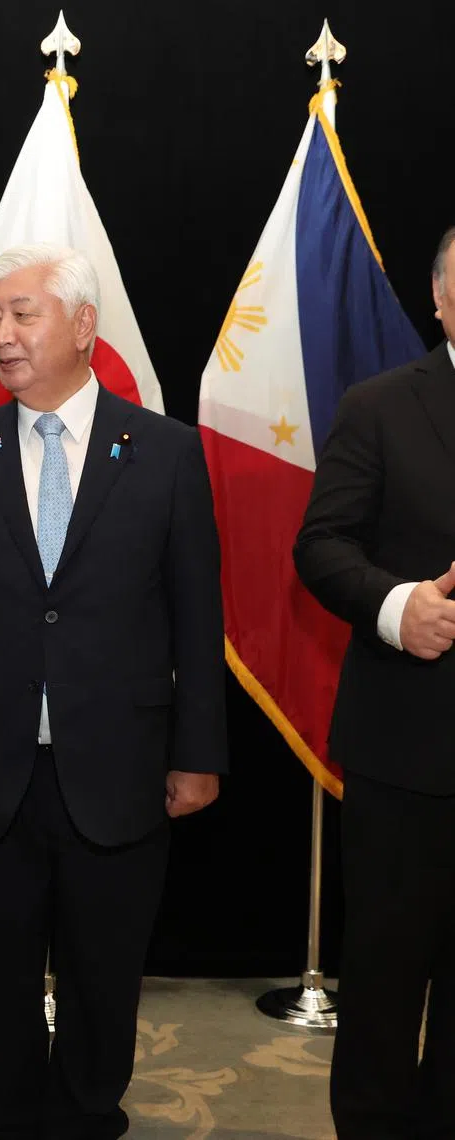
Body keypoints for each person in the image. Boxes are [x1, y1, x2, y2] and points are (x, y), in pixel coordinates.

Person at [0, 244, 227, 1139]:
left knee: (104, 978)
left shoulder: (165, 453)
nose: (1, 334)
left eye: (22, 314)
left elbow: (198, 617)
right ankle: (2, 1117)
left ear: (83, 325)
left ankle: (88, 1115)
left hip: (121, 769)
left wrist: (198, 755)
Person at [293, 225, 455, 1139]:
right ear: (438, 296)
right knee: (387, 996)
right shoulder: (381, 406)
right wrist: (398, 607)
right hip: (408, 757)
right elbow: (320, 545)